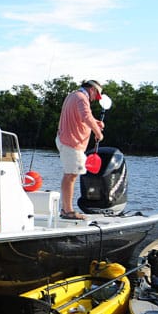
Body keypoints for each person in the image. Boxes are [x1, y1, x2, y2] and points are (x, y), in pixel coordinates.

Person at [56, 79, 105, 220]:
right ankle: (68, 211)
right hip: (72, 143)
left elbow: (81, 117)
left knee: (69, 175)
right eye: (97, 95)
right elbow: (86, 116)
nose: (96, 99)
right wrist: (98, 132)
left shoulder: (72, 96)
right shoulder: (82, 98)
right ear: (92, 89)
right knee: (71, 176)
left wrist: (95, 123)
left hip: (64, 139)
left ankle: (66, 209)